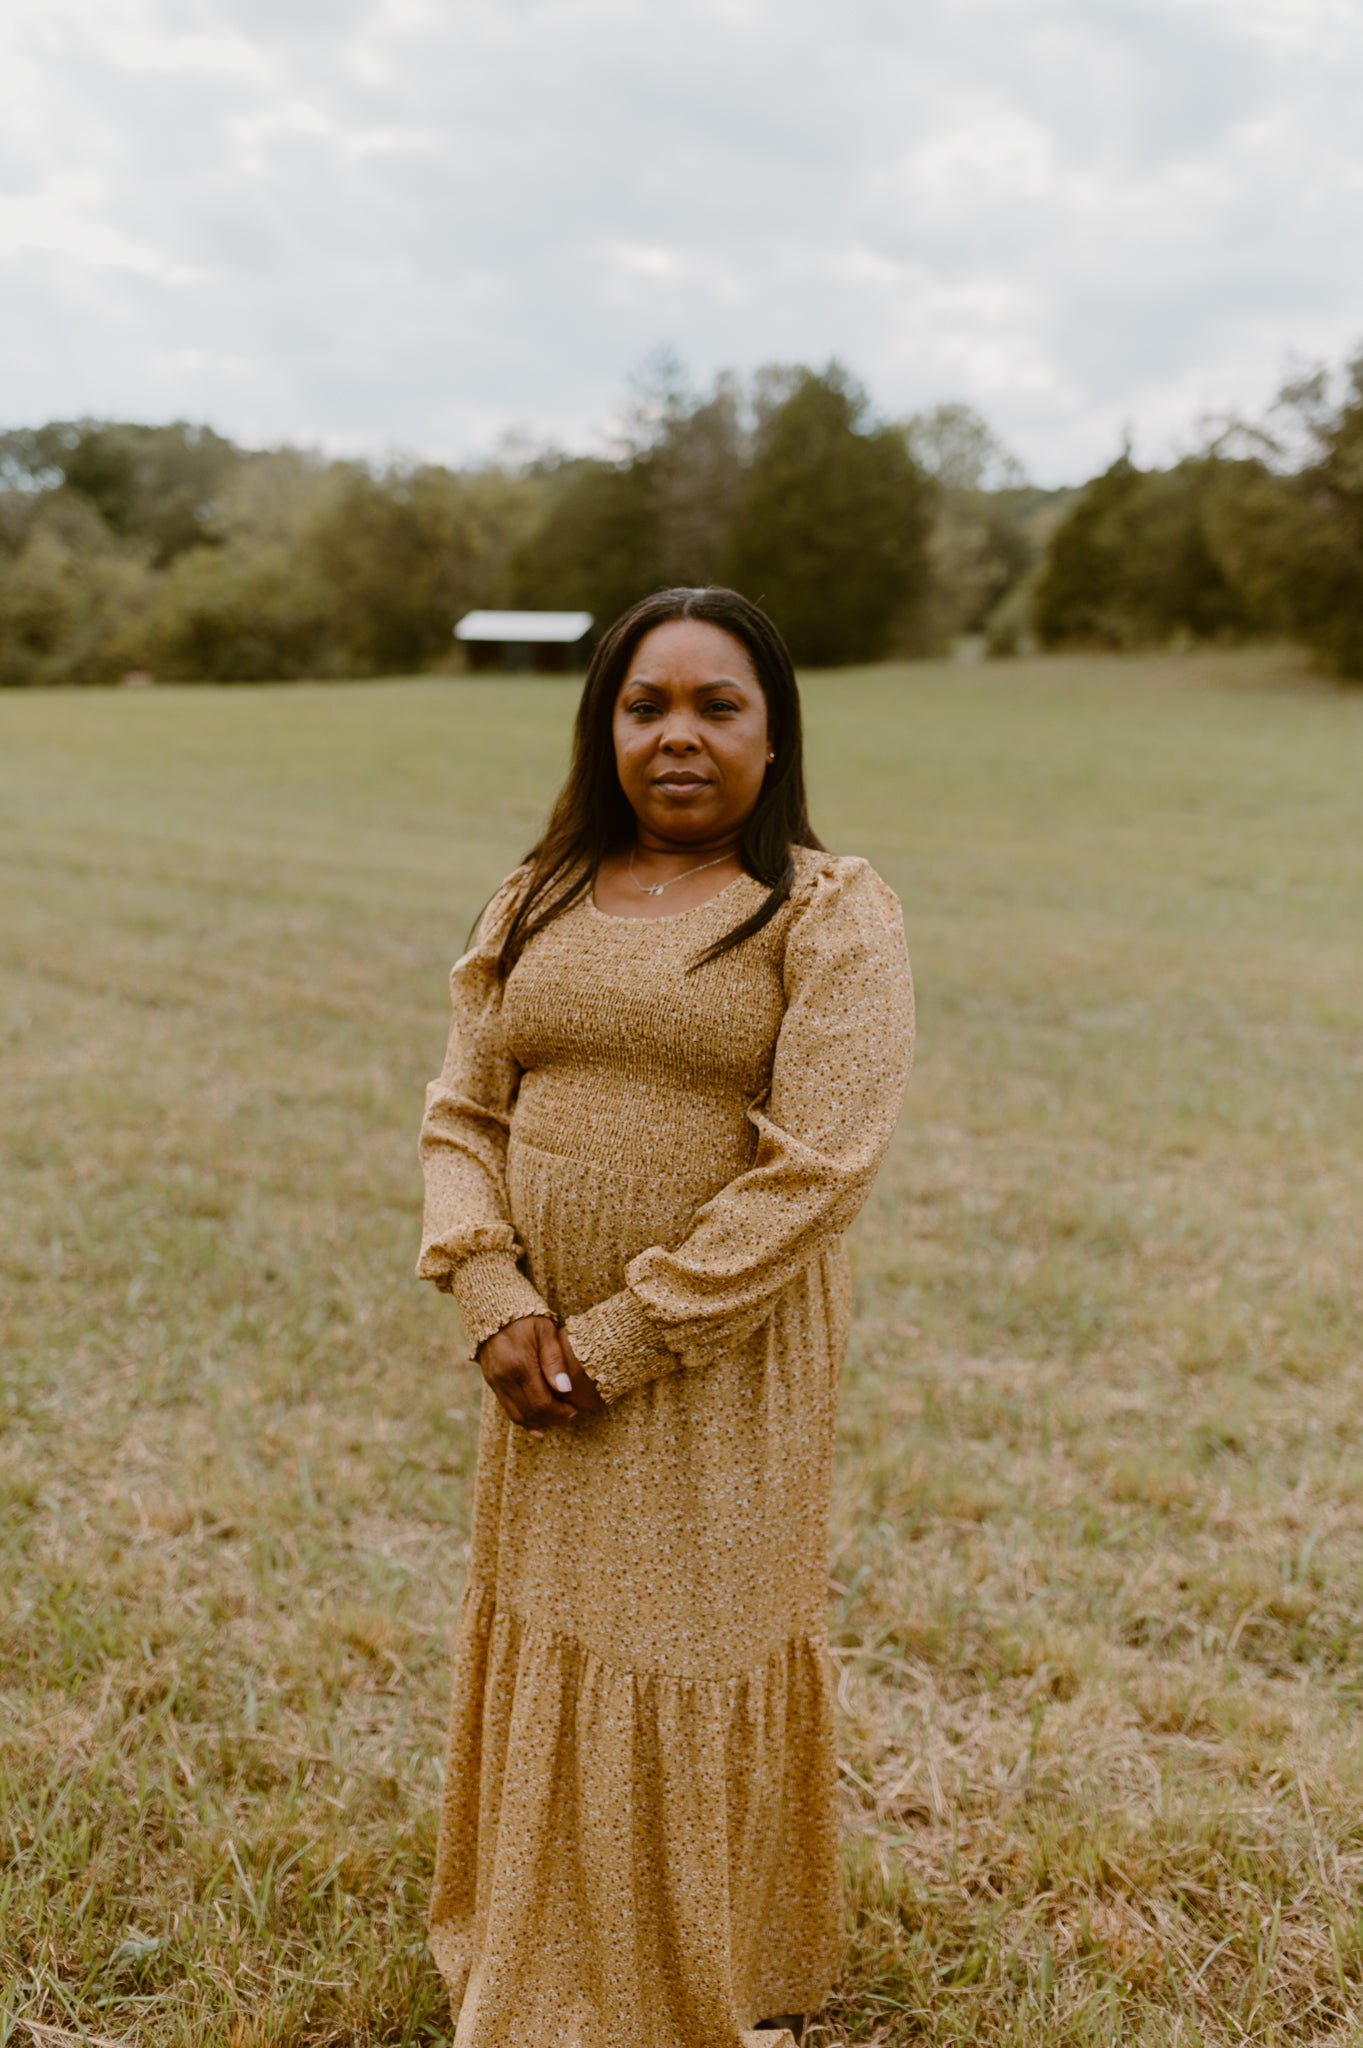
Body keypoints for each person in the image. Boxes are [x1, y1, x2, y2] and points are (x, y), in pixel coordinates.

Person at [416, 586, 914, 2048]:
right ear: (604, 725)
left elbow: (821, 1165)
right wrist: (494, 1295)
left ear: (774, 736)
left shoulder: (824, 909)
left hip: (713, 1359)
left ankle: (695, 1976)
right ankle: (544, 1961)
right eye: (647, 705)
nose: (678, 736)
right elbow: (460, 1110)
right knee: (560, 1631)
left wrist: (619, 1337)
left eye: (717, 705)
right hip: (534, 1361)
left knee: (687, 1646)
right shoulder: (539, 891)